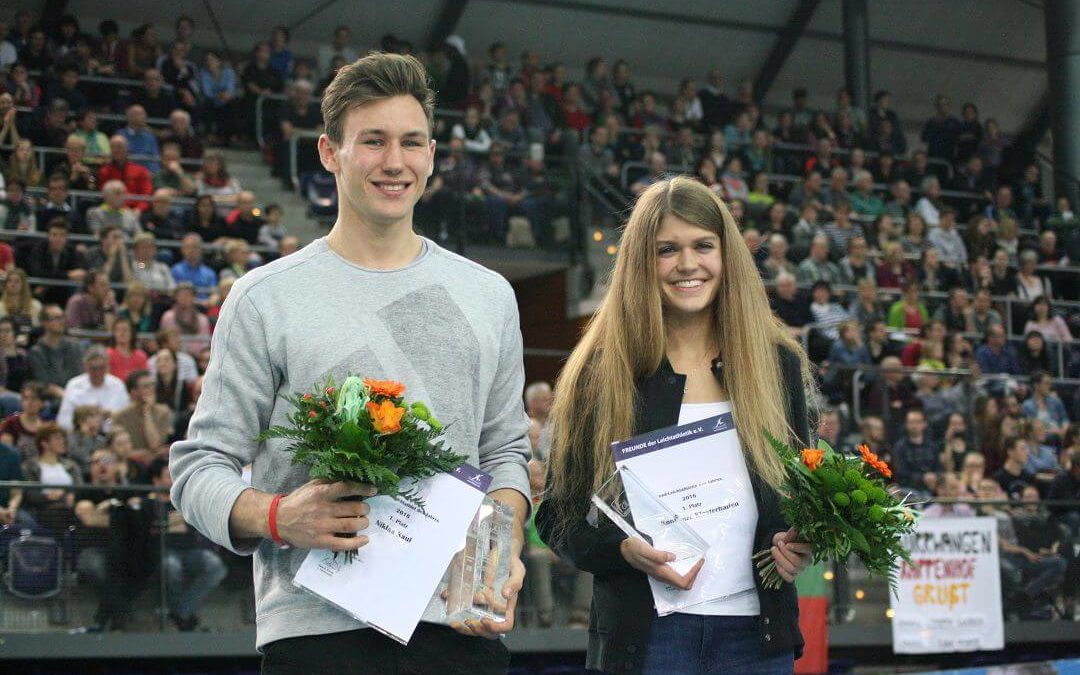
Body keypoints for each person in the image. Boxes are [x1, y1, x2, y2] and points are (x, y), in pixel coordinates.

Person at [169, 53, 531, 672]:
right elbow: (198, 468)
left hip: (458, 625)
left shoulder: (487, 294)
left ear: (433, 155)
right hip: (316, 635)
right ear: (329, 153)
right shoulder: (266, 298)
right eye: (374, 142)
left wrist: (503, 540)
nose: (395, 162)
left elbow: (505, 453)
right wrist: (280, 516)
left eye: (412, 142)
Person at [535, 175, 813, 675]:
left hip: (756, 638)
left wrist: (795, 544)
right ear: (643, 261)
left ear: (726, 254)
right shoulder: (601, 372)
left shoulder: (777, 366)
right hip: (647, 641)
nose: (688, 264)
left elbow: (797, 502)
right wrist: (622, 550)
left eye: (703, 245)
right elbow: (557, 518)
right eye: (668, 249)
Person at [147, 458, 229, 631]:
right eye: (168, 475)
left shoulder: (182, 498)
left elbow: (189, 523)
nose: (174, 478)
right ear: (156, 480)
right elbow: (153, 529)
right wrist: (170, 523)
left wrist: (169, 524)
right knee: (172, 566)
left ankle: (179, 613)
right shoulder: (149, 503)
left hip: (191, 551)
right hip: (164, 552)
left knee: (215, 566)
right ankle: (180, 617)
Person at [56, 344, 131, 431]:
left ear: (108, 366)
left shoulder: (118, 385)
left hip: (111, 436)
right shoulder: (74, 385)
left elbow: (126, 418)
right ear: (86, 367)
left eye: (102, 368)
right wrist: (83, 424)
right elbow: (63, 421)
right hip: (81, 435)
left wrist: (112, 416)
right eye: (93, 368)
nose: (98, 372)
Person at [28, 305, 84, 400]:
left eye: (62, 317)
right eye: (57, 318)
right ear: (44, 323)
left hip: (76, 395)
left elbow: (81, 376)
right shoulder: (36, 352)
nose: (62, 321)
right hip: (51, 400)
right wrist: (67, 397)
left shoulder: (75, 347)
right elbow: (45, 384)